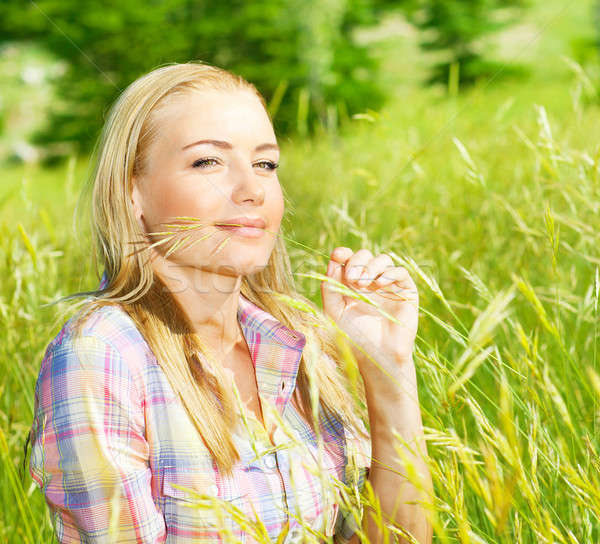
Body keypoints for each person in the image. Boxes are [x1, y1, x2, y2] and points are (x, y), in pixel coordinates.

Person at [27, 61, 433, 544]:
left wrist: (387, 371)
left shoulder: (301, 344)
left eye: (265, 164)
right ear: (132, 191)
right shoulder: (101, 358)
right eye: (208, 162)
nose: (252, 190)